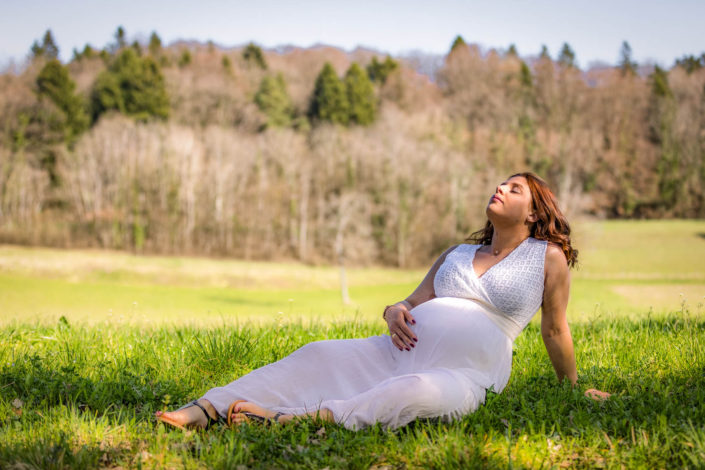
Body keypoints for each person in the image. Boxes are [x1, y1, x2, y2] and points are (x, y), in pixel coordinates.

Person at [155, 172, 610, 431]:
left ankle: (288, 420)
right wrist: (393, 311)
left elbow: (555, 329)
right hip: (390, 351)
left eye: (514, 189)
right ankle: (206, 408)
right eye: (500, 183)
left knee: (411, 393)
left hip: (466, 371)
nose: (499, 188)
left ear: (533, 213)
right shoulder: (456, 254)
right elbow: (411, 300)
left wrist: (572, 388)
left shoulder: (545, 258)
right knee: (316, 354)